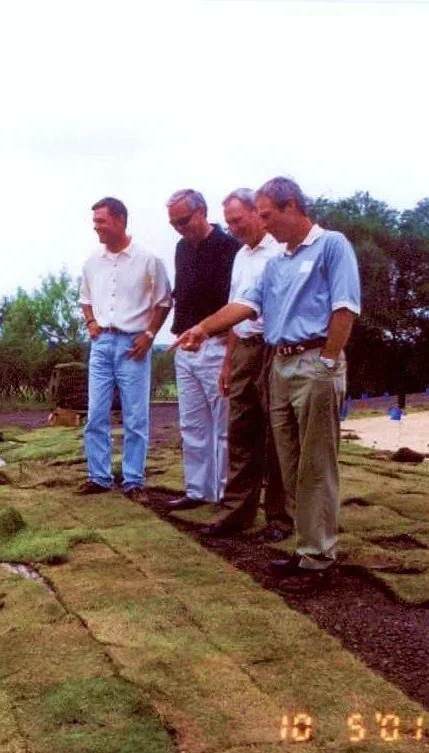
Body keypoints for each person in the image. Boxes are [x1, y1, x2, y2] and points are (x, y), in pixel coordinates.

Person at [172, 177, 361, 589]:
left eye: (266, 215)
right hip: (281, 364)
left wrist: (328, 361)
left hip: (314, 363)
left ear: (291, 205)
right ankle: (307, 547)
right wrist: (202, 328)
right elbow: (244, 305)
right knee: (291, 465)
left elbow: (345, 308)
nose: (262, 223)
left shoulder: (332, 246)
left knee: (315, 465)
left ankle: (319, 560)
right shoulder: (277, 262)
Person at [199, 188, 291, 542]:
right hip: (243, 348)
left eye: (237, 220)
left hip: (273, 346)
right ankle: (237, 512)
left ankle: (281, 517)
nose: (233, 228)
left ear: (257, 213)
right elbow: (237, 307)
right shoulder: (240, 255)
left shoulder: (280, 250)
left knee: (277, 433)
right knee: (240, 433)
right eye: (228, 222)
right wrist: (227, 362)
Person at [77, 197, 173, 504]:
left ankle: (133, 479)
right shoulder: (92, 262)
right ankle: (99, 476)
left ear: (119, 220)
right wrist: (91, 322)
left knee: (135, 415)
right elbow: (85, 297)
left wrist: (149, 334)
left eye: (101, 222)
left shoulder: (148, 260)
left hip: (133, 344)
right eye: (95, 223)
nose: (96, 228)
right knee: (96, 413)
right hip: (102, 344)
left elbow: (163, 301)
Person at [165, 189, 240, 511]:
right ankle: (198, 490)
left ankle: (225, 494)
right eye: (173, 223)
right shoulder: (182, 249)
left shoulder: (230, 248)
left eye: (183, 220)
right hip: (186, 345)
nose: (180, 228)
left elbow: (237, 304)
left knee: (223, 425)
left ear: (202, 212)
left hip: (218, 344)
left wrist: (226, 349)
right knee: (193, 423)